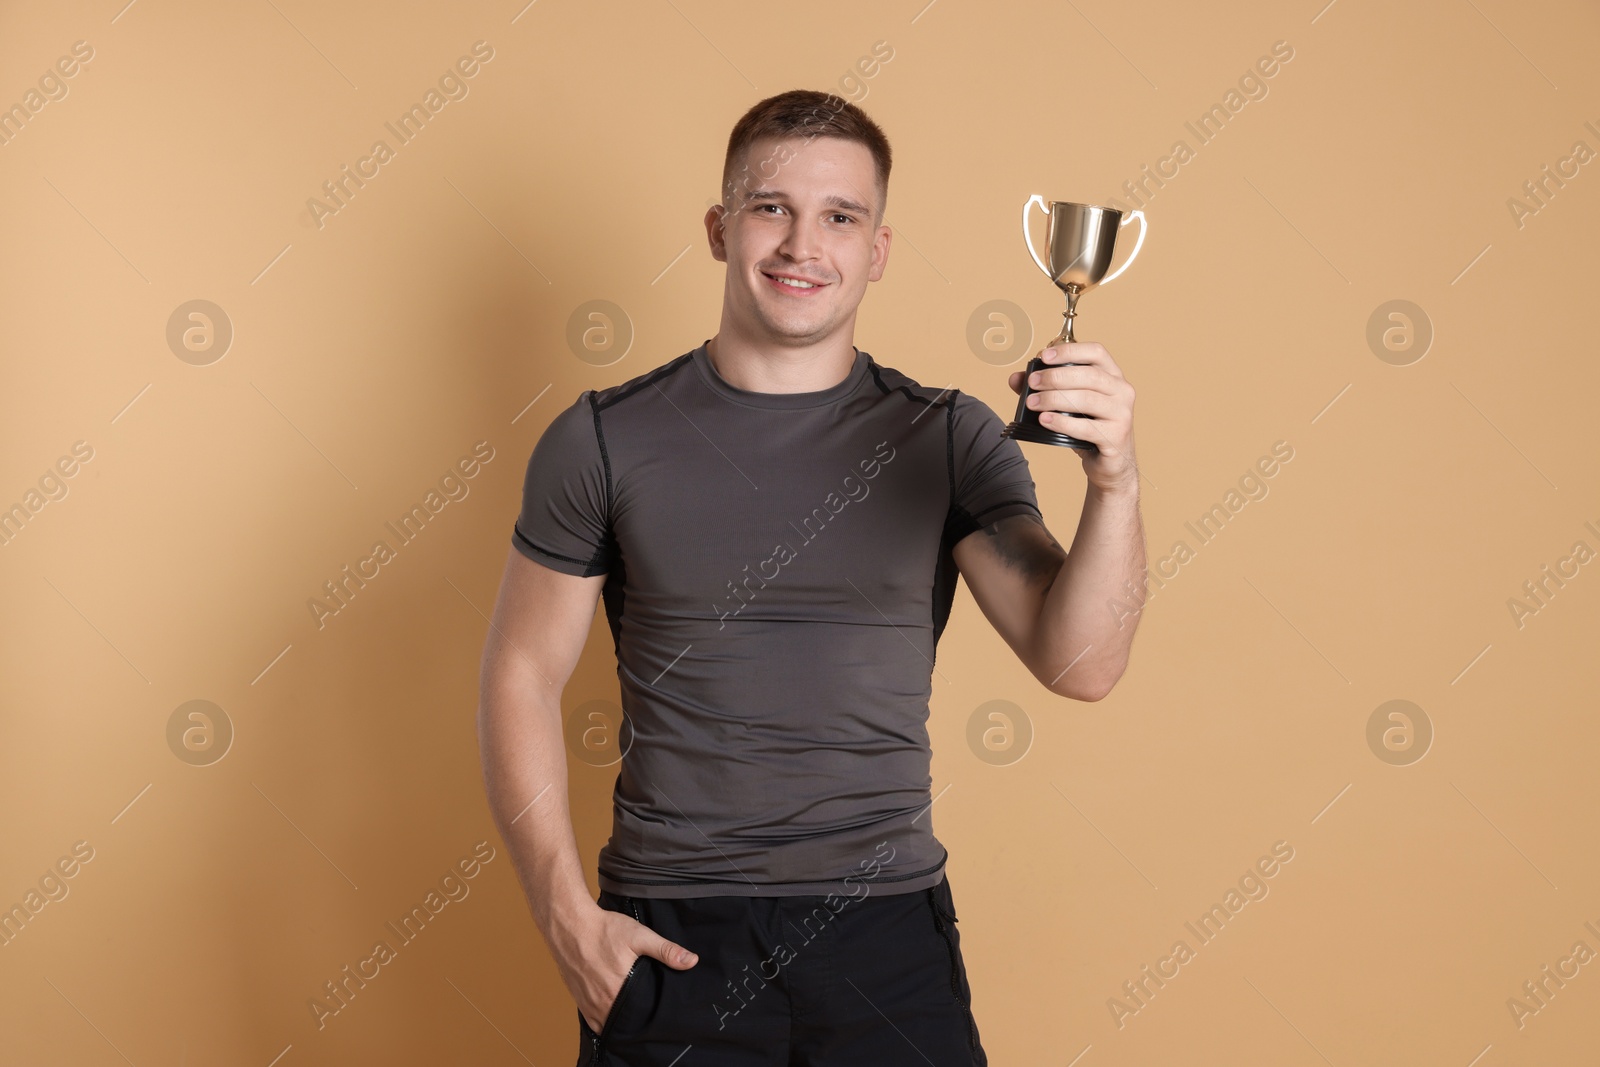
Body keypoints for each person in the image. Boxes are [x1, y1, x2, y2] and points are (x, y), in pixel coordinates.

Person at [477, 88, 1146, 1066]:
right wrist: (564, 915)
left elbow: (1079, 661)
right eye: (769, 207)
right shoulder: (601, 439)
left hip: (884, 939)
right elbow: (520, 675)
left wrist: (1114, 476)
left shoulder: (949, 437)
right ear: (719, 229)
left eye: (840, 216)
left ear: (875, 249)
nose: (803, 244)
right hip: (670, 938)